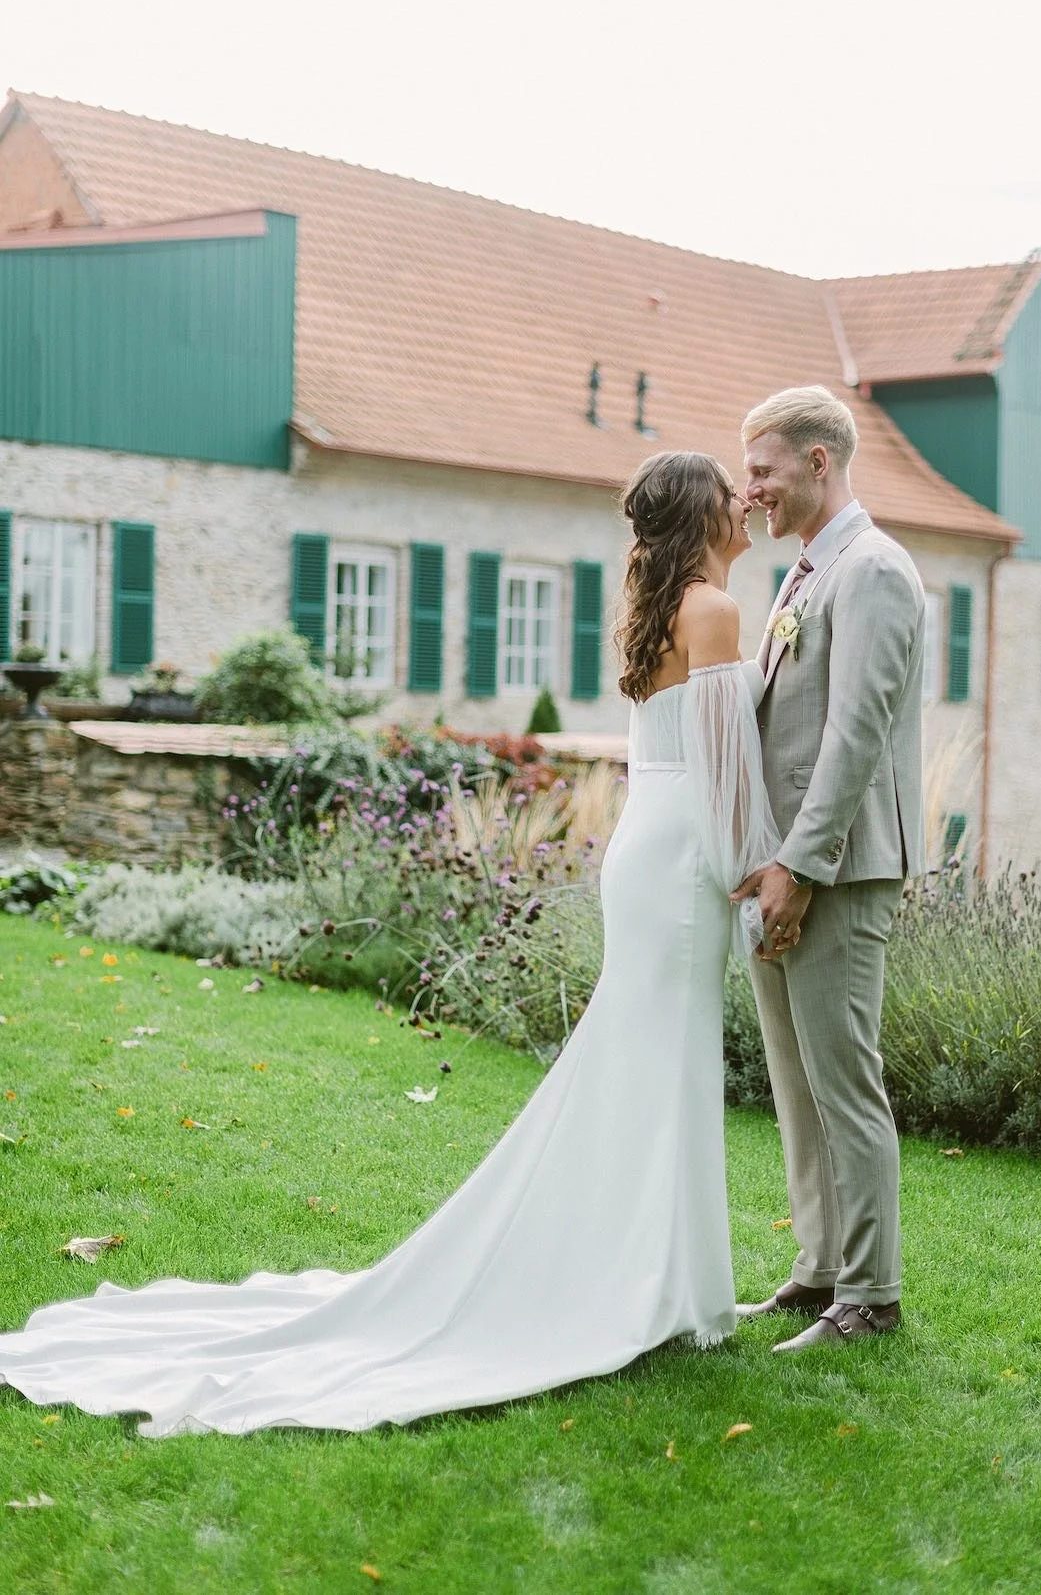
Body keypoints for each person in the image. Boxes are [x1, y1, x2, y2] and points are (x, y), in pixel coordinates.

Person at [0, 450, 780, 1438]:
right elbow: (727, 762)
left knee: (650, 1068)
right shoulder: (710, 609)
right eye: (730, 491)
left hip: (650, 847)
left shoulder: (655, 609)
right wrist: (758, 868)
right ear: (698, 513)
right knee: (658, 1066)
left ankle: (664, 1281)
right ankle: (652, 1287)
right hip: (682, 860)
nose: (744, 504)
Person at [733, 386, 925, 1352]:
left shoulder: (874, 570)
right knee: (795, 1081)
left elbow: (855, 736)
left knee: (844, 1079)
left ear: (818, 462)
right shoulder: (805, 575)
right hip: (784, 869)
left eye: (763, 468)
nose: (750, 486)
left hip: (840, 873)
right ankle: (819, 1273)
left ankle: (873, 1297)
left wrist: (800, 868)